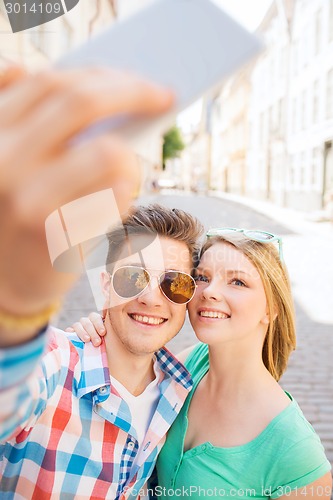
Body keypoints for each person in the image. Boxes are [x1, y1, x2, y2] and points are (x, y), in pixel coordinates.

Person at [75, 228, 332, 499]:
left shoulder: (296, 450)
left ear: (271, 309)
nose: (210, 292)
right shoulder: (183, 369)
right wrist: (99, 332)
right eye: (202, 277)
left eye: (238, 282)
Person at [0, 204, 203, 498]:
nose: (150, 298)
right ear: (105, 286)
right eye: (132, 277)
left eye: (174, 283)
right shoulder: (49, 364)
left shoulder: (178, 392)